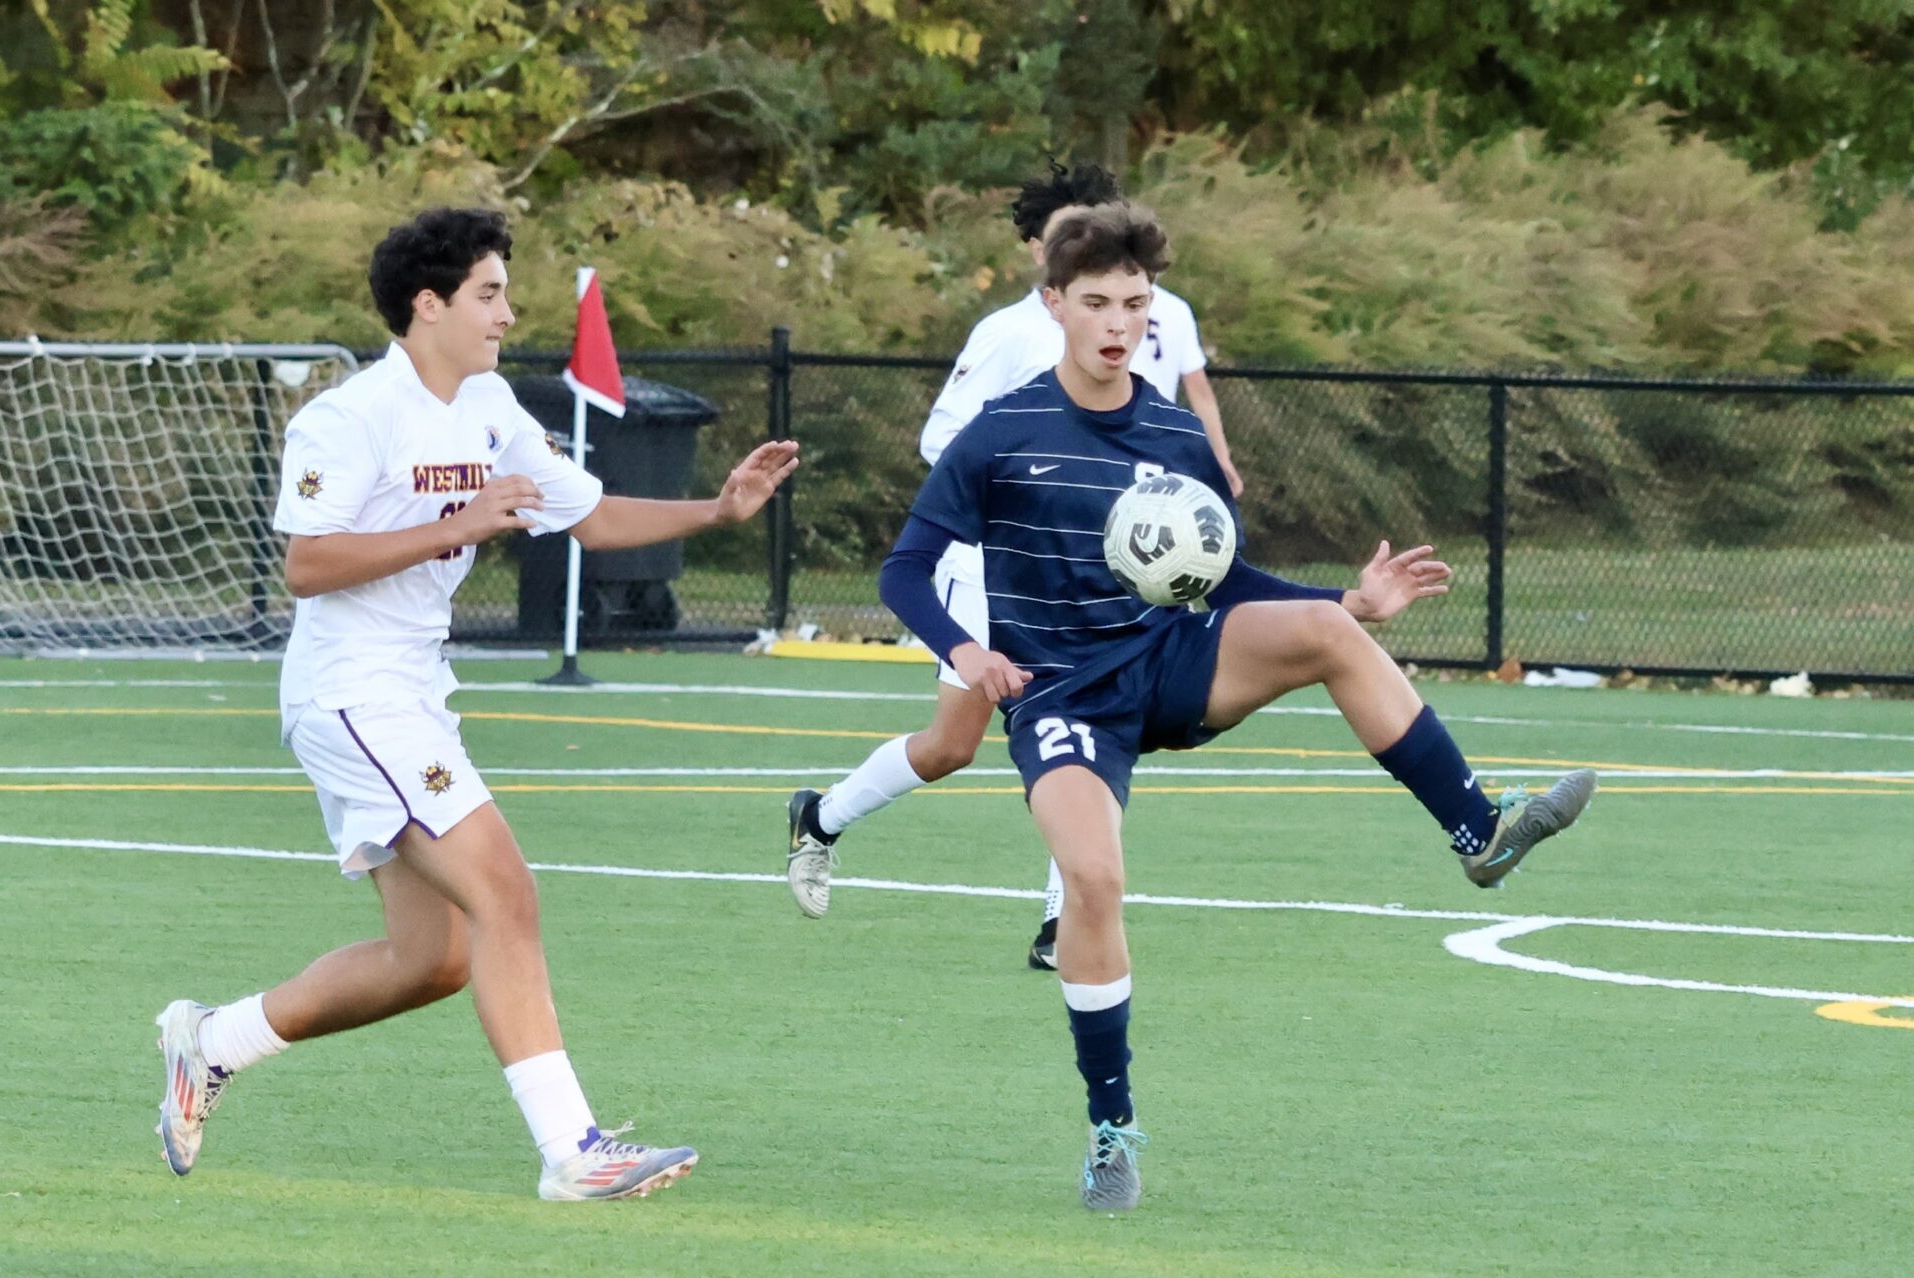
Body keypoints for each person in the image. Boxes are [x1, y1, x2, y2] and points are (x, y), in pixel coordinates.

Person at [875, 203, 1595, 1211]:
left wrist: (1348, 602)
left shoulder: (1174, 433)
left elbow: (1222, 575)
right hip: (1061, 696)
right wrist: (965, 651)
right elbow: (903, 570)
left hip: (1171, 660)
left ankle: (1477, 832)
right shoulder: (999, 435)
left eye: (1135, 303)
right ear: (1053, 306)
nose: (1118, 323)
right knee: (1089, 880)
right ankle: (1111, 1129)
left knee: (1332, 638)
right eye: (1095, 303)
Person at [154, 207, 798, 1202]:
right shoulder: (349, 417)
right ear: (429, 304)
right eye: (489, 294)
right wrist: (456, 521)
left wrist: (715, 510)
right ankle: (573, 1154)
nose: (506, 314)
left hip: (411, 690)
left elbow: (583, 514)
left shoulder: (492, 405)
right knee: (506, 893)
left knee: (435, 958)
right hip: (350, 693)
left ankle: (214, 1042)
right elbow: (307, 564)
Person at [785, 161, 1244, 978]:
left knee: (1103, 711)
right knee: (951, 744)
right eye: (1068, 240)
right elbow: (947, 443)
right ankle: (820, 816)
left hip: (1119, 564)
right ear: (1042, 256)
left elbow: (1181, 406)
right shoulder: (1010, 332)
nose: (1107, 298)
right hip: (1003, 564)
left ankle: (1061, 916)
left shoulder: (1160, 310)